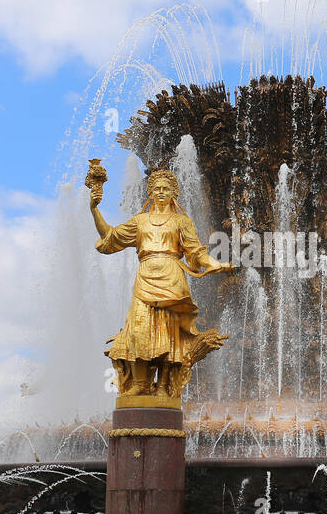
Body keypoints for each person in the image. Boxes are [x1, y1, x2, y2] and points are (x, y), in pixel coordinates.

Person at [91, 168, 230, 398]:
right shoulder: (140, 221)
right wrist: (94, 208)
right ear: (150, 193)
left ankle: (164, 385)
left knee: (168, 331)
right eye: (157, 189)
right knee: (138, 328)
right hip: (146, 275)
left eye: (166, 189)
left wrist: (213, 263)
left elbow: (195, 251)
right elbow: (111, 237)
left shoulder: (181, 221)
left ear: (174, 192)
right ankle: (141, 384)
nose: (161, 192)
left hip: (171, 276)